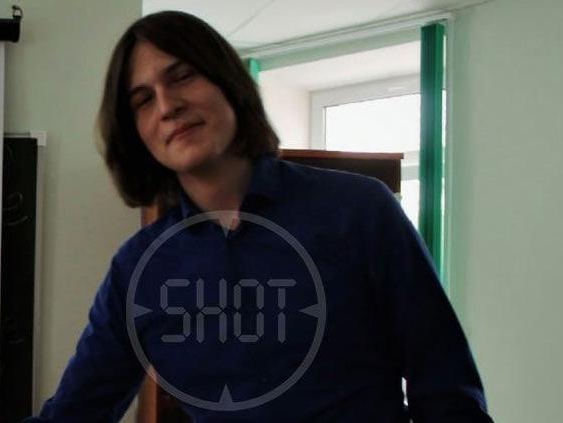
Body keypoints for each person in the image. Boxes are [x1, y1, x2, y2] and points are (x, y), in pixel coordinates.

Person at [27, 11, 493, 422]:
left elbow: (447, 391)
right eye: (143, 100)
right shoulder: (137, 271)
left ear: (227, 82)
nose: (168, 106)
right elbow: (73, 414)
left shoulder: (359, 210)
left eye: (183, 76)